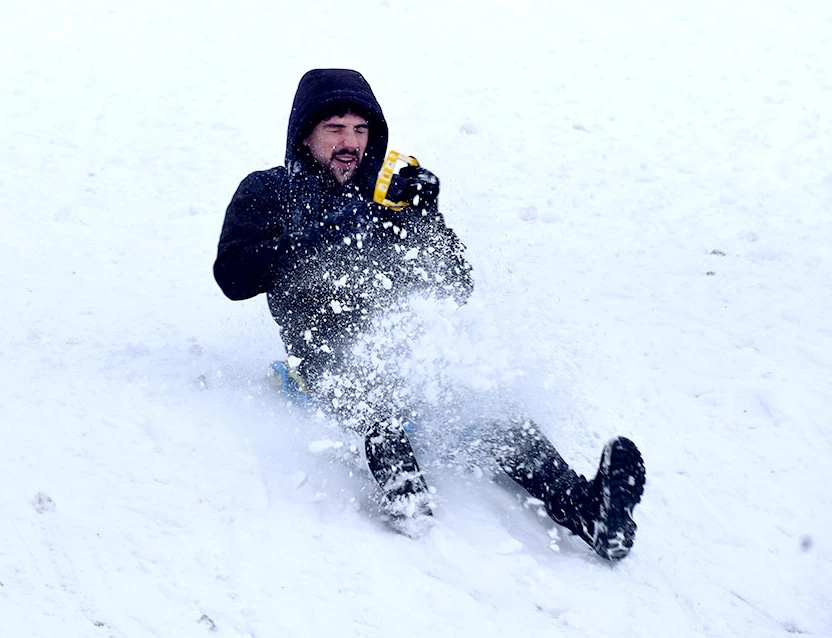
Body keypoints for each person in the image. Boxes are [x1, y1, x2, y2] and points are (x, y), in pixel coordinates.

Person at [214, 69, 645, 560]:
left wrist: (425, 221)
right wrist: (326, 235)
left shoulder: (387, 191)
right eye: (335, 128)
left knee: (488, 406)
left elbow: (455, 285)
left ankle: (590, 513)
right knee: (369, 389)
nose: (350, 141)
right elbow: (233, 278)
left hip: (410, 348)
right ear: (304, 135)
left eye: (360, 130)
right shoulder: (268, 191)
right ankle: (404, 491)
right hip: (325, 357)